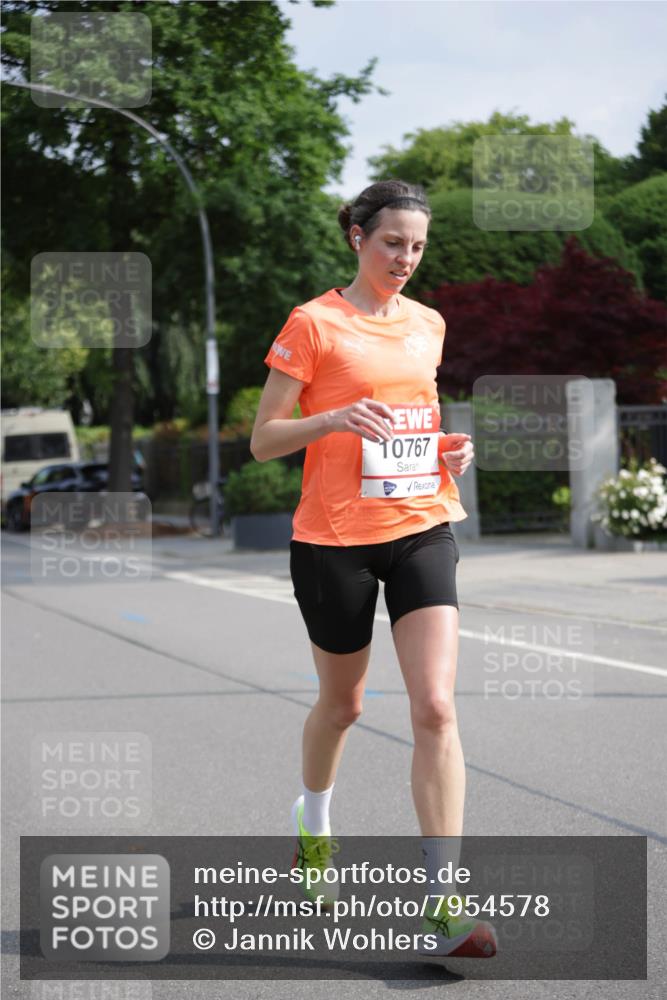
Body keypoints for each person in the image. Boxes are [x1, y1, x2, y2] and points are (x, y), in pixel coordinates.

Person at [250, 179, 496, 959]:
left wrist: (447, 451)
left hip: (422, 524)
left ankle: (443, 903)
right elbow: (264, 439)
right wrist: (331, 418)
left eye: (417, 246)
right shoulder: (312, 324)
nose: (405, 258)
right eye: (392, 242)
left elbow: (415, 419)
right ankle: (314, 826)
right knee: (344, 707)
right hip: (332, 542)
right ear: (357, 237)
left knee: (434, 708)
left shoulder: (429, 324)